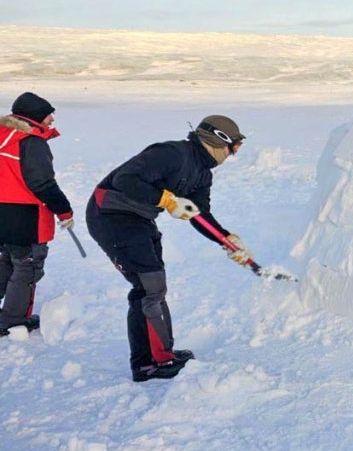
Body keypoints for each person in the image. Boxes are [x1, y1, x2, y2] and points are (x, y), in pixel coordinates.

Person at [86, 115, 253, 381]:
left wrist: (226, 240)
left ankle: (159, 355)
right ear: (219, 140)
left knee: (153, 287)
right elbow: (126, 180)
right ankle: (151, 364)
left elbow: (198, 214)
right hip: (111, 214)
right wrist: (164, 198)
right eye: (234, 146)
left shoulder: (202, 173)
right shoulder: (171, 153)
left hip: (140, 219)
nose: (234, 154)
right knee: (149, 288)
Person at [0, 93, 74, 337]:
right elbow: (42, 184)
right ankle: (13, 320)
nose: (52, 119)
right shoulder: (30, 142)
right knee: (27, 267)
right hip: (25, 216)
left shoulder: (4, 136)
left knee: (6, 261)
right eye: (48, 114)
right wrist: (64, 211)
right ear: (34, 117)